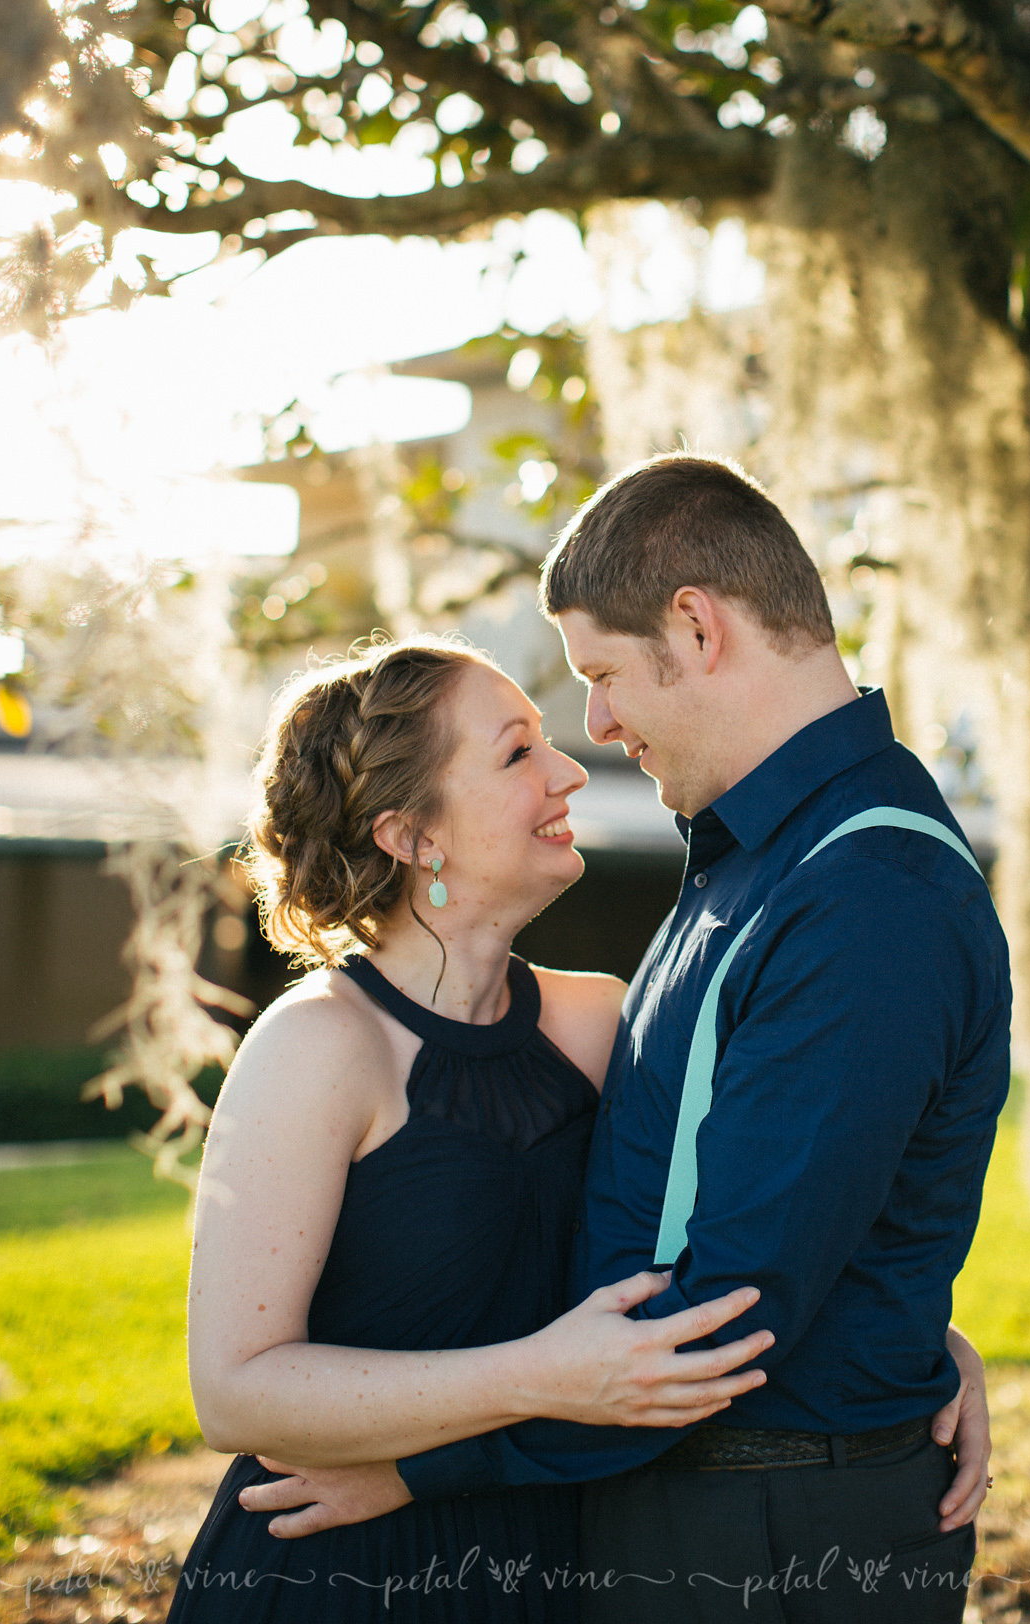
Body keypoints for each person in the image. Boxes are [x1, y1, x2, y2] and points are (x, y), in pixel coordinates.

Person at [239, 457, 1009, 1623]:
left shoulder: (863, 892)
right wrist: (903, 1320)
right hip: (655, 1507)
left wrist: (418, 1468)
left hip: (769, 1532)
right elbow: (716, 1202)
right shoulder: (752, 860)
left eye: (597, 674)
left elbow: (727, 1309)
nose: (590, 731)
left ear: (695, 627)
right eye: (524, 740)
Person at [167, 635, 778, 1622]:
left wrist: (918, 1339)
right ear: (411, 833)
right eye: (516, 752)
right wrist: (544, 1375)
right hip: (337, 1569)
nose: (573, 768)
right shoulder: (319, 1045)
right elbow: (235, 1391)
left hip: (558, 1558)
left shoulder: (597, 1022)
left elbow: (749, 1224)